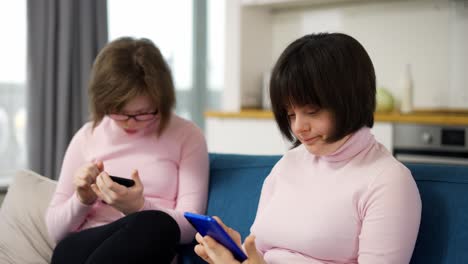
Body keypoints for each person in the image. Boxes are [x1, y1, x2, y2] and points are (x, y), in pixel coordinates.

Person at [194, 32, 421, 264]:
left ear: (350, 101)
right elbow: (261, 253)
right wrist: (236, 253)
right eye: (290, 114)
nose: (298, 127)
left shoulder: (388, 181)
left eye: (312, 111)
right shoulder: (287, 164)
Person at [45, 37, 209, 264]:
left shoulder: (187, 135)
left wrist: (138, 207)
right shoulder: (87, 135)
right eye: (119, 112)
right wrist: (82, 199)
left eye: (143, 113)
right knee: (67, 249)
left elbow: (192, 226)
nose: (131, 123)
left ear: (161, 100)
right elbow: (55, 231)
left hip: (148, 242)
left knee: (157, 224)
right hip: (83, 246)